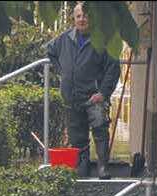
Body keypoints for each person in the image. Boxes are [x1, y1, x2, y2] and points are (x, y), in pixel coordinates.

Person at [45, 3, 122, 178]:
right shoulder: (64, 39)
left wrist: (103, 93)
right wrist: (62, 70)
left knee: (100, 131)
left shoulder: (102, 40)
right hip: (71, 96)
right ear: (74, 18)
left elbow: (113, 69)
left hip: (94, 96)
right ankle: (82, 168)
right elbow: (49, 52)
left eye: (85, 16)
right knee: (77, 135)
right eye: (79, 16)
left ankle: (103, 167)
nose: (82, 19)